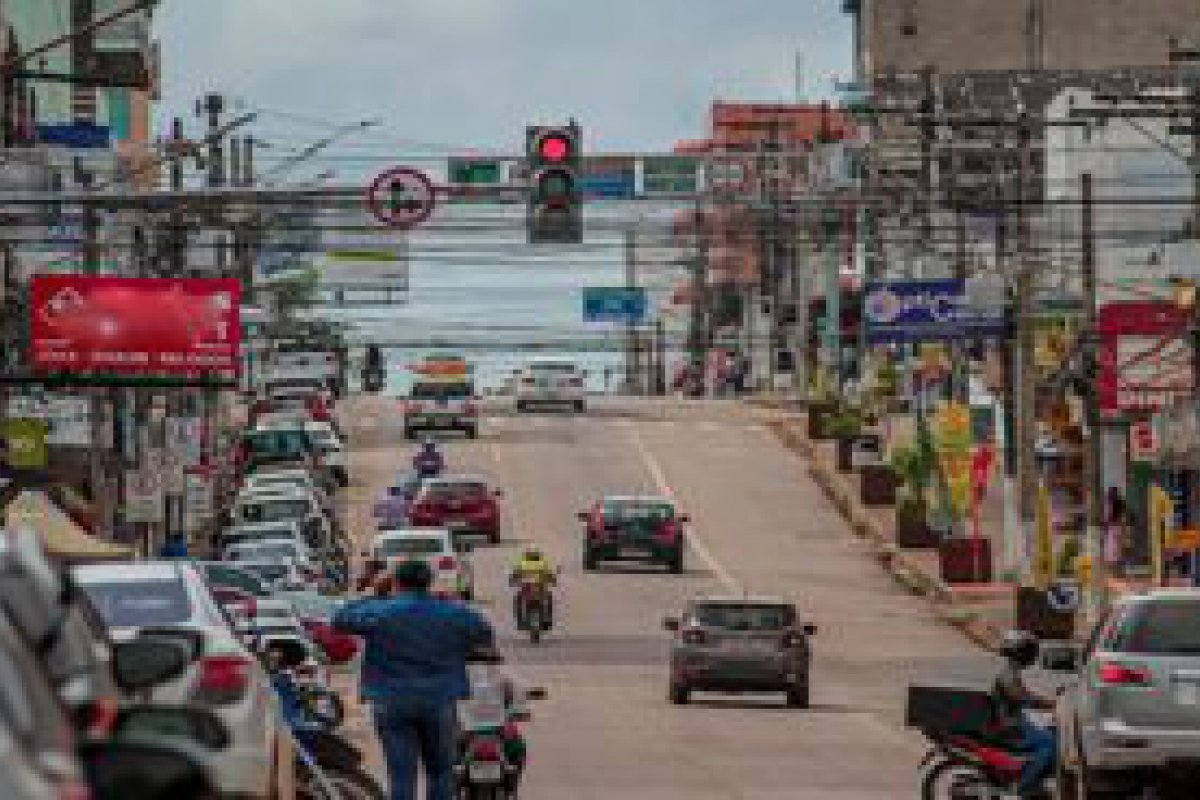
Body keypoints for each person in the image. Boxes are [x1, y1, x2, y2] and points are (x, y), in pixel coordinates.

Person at [333, 559, 494, 800]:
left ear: (396, 583)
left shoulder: (381, 610)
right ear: (429, 583)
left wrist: (375, 593)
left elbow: (341, 619)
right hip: (439, 699)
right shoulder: (451, 612)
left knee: (401, 776)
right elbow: (482, 630)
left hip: (391, 701)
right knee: (441, 773)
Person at [992, 630, 1056, 797]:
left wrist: (1049, 701)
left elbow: (1024, 695)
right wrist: (1051, 703)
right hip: (1011, 726)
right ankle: (1025, 784)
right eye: (1030, 651)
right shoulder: (1008, 675)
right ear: (1021, 653)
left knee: (1049, 731)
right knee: (1050, 745)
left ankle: (1034, 777)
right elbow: (1025, 698)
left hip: (1013, 720)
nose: (1032, 656)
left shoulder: (1010, 670)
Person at [509, 547, 557, 628]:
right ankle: (548, 618)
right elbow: (550, 576)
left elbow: (515, 575)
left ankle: (520, 620)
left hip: (527, 589)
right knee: (549, 599)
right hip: (540, 589)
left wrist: (512, 581)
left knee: (517, 600)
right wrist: (553, 581)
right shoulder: (542, 564)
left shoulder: (522, 564)